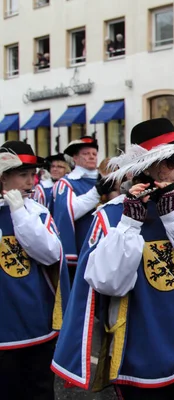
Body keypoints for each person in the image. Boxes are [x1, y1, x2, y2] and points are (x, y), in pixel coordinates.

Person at [51, 118, 174, 399]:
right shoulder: (111, 216)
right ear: (147, 167)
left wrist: (173, 217)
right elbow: (108, 282)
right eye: (173, 161)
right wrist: (130, 224)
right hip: (136, 355)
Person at [0, 141, 70, 400]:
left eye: (33, 175)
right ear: (3, 177)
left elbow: (50, 253)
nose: (31, 182)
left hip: (36, 322)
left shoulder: (37, 213)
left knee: (39, 391)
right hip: (3, 327)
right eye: (22, 175)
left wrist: (19, 213)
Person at [52, 136, 112, 279]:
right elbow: (69, 212)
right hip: (82, 246)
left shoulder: (106, 179)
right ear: (75, 158)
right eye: (86, 154)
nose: (91, 157)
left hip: (107, 245)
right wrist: (96, 193)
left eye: (94, 154)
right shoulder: (66, 183)